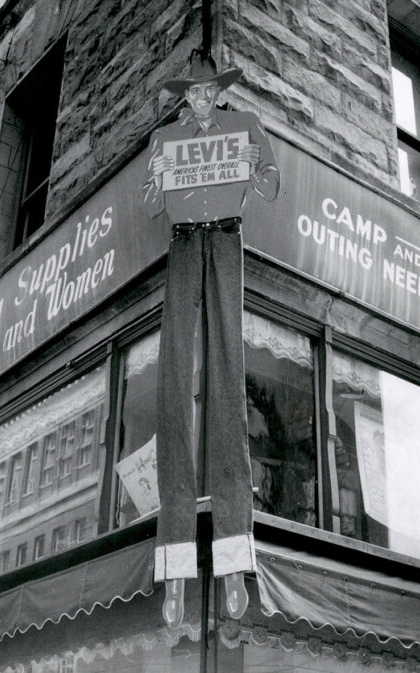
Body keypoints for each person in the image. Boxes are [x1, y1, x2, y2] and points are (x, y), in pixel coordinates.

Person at [141, 51, 280, 629]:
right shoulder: (166, 136)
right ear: (185, 96)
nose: (198, 100)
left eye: (206, 92)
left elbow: (271, 186)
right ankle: (175, 572)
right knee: (175, 383)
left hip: (225, 239)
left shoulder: (245, 126)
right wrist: (153, 182)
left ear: (218, 91)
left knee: (226, 380)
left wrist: (255, 167)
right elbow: (149, 205)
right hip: (181, 244)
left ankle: (230, 563)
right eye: (191, 93)